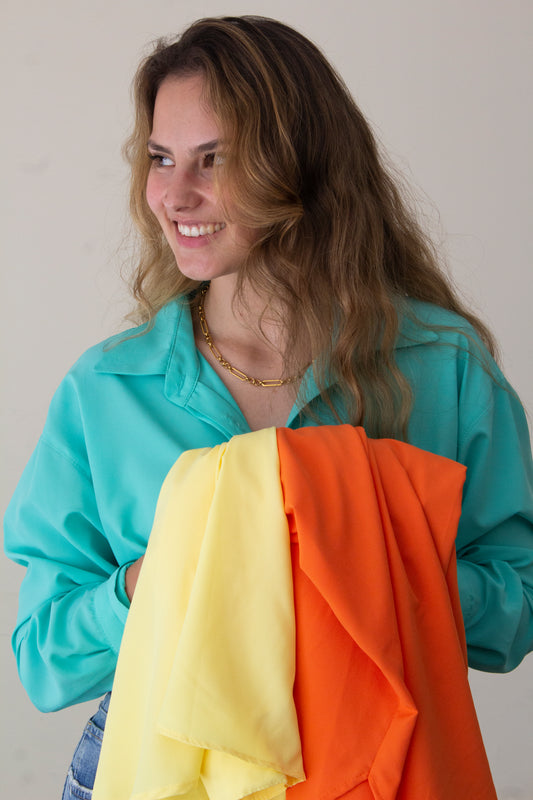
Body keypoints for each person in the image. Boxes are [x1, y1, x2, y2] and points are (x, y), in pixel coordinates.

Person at [4, 14, 533, 799]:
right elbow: (44, 661)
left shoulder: (440, 365)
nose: (173, 194)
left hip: (380, 770)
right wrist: (167, 571)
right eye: (160, 158)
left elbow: (513, 616)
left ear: (298, 162)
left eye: (212, 159)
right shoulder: (107, 390)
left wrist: (374, 551)